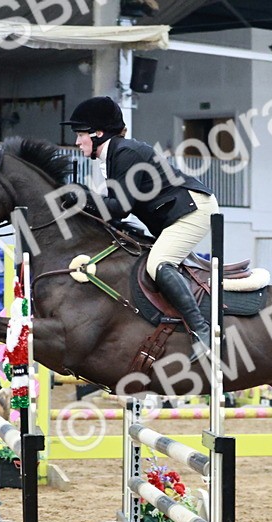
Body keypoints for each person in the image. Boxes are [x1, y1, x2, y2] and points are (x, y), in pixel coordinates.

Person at [61, 96, 218, 361]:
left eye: (80, 134)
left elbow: (119, 207)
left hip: (193, 209)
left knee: (158, 263)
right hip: (175, 212)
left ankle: (203, 333)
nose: (77, 142)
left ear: (98, 133)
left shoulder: (125, 153)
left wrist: (83, 196)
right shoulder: (114, 155)